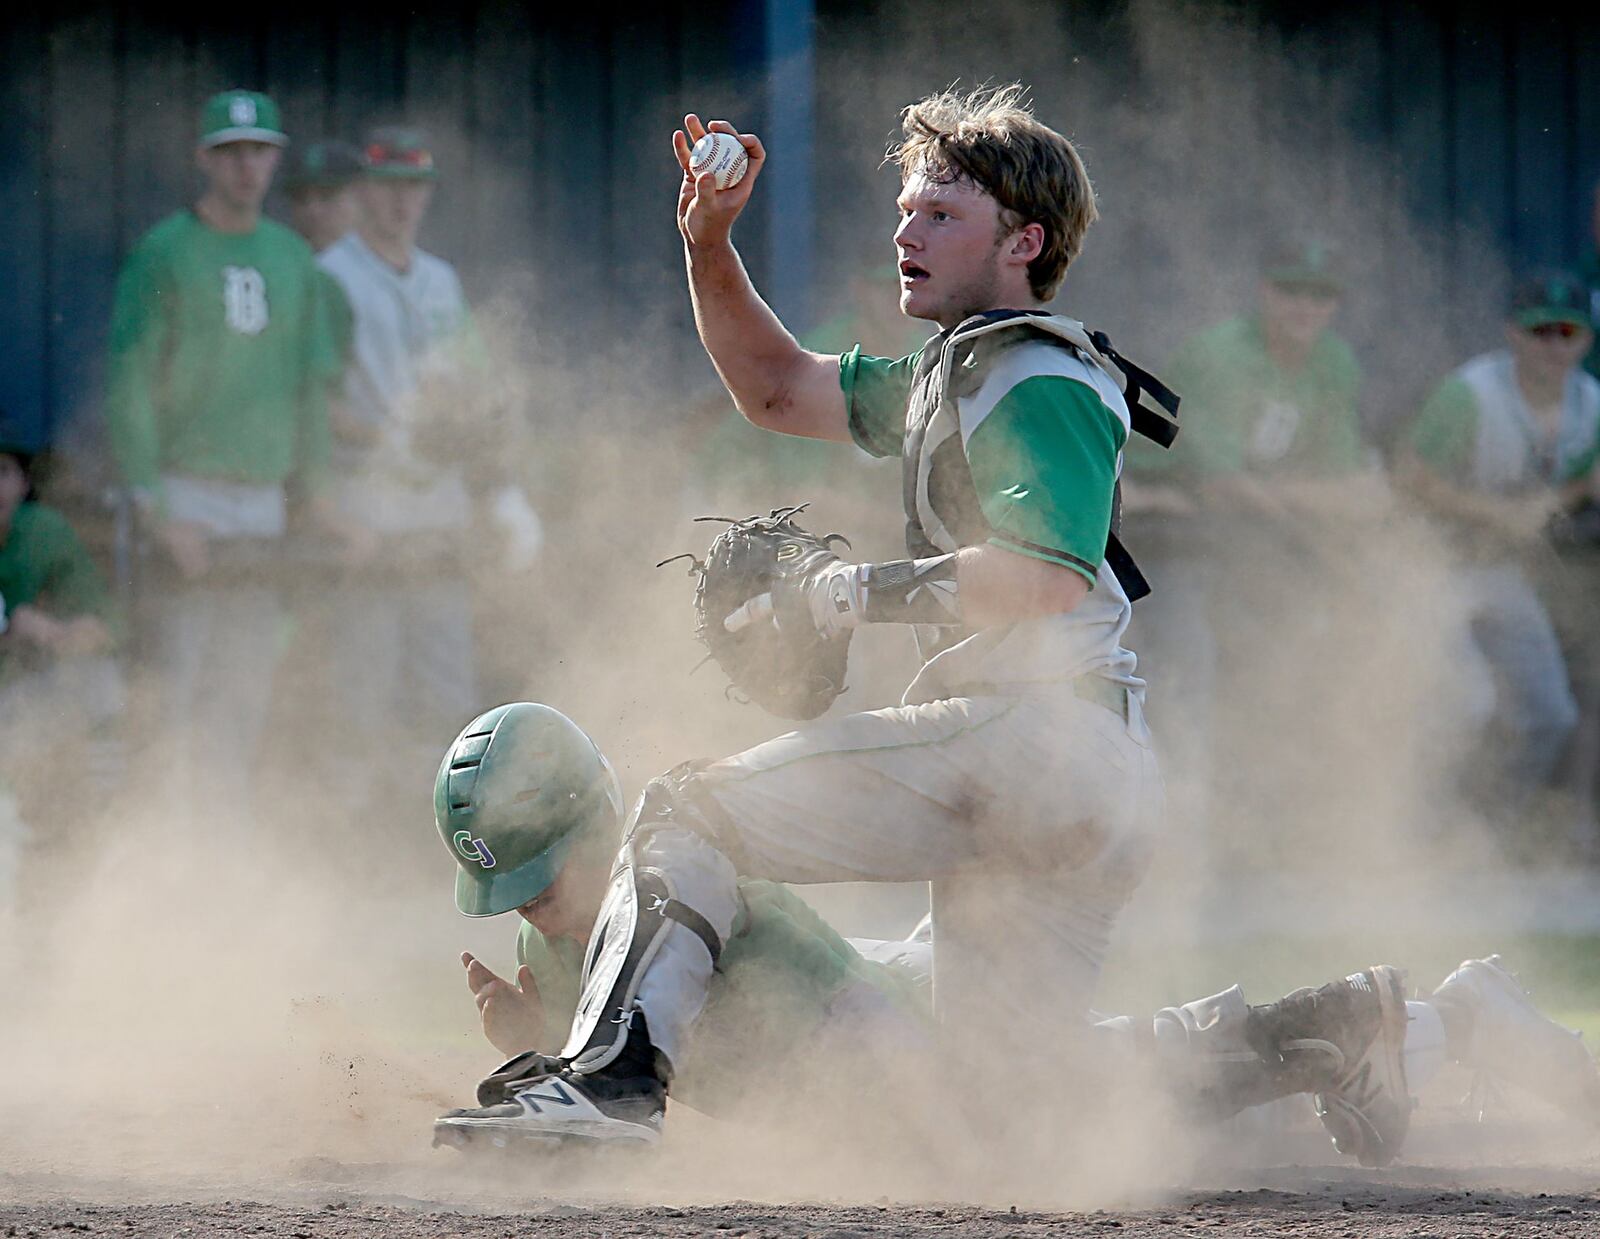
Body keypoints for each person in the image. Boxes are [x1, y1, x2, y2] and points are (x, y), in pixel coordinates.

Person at [429, 85, 1422, 1163]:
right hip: (1075, 772)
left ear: (1024, 240)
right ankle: (1325, 1028)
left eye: (941, 212)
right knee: (1002, 1114)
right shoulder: (959, 371)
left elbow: (1046, 573)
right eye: (906, 209)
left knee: (684, 812)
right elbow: (771, 388)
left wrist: (845, 594)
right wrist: (709, 242)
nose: (906, 229)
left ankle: (612, 1087)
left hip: (1025, 734)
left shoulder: (1034, 372)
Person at [432, 704, 1600, 1165]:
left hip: (922, 1027)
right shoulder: (565, 945)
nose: (532, 905)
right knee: (1194, 1116)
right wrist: (535, 1021)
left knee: (1135, 1115)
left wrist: (961, 1122)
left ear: (597, 819)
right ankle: (1451, 1035)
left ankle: (1416, 1022)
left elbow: (856, 1022)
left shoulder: (702, 898)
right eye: (513, 892)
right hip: (916, 1023)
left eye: (542, 874)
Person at [102, 89, 348, 828]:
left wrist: (320, 492)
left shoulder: (290, 257)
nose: (247, 167)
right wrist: (152, 502)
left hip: (264, 495)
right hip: (188, 490)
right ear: (205, 159)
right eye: (231, 152)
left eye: (260, 151)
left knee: (246, 683)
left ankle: (226, 842)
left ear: (274, 159)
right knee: (177, 681)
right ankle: (163, 840)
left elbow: (310, 388)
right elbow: (132, 382)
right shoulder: (165, 250)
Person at [316, 127, 541, 805]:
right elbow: (313, 399)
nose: (401, 202)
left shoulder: (441, 279)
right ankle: (357, 828)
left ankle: (443, 829)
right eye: (387, 187)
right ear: (362, 193)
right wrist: (386, 432)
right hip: (368, 500)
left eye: (414, 187)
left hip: (437, 506)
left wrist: (499, 488)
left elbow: (475, 390)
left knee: (446, 679)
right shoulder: (332, 275)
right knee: (366, 676)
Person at [1400, 272, 1600, 831]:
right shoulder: (1471, 393)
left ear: (1585, 338)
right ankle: (1419, 838)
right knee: (1465, 705)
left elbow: (1582, 488)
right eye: (1540, 330)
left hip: (1504, 573)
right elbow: (1411, 478)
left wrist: (1560, 500)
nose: (1553, 345)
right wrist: (1492, 513)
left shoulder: (1590, 404)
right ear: (1514, 333)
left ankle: (1486, 833)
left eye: (1567, 331)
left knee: (1550, 715)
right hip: (1437, 569)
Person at [0, 432, 125, 828]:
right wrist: (13, 630)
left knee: (97, 679)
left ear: (23, 482)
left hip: (25, 700)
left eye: (2, 472)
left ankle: (105, 819)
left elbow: (105, 620)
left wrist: (83, 629)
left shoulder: (44, 531)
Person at [282, 139, 364, 255]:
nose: (312, 211)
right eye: (300, 198)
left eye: (327, 196)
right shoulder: (275, 267)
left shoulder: (392, 268)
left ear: (364, 199)